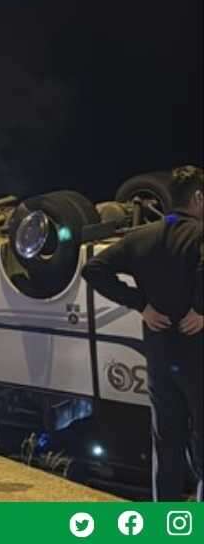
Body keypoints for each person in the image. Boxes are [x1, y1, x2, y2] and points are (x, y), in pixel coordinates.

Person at [82, 165, 203, 501]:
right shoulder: (200, 235)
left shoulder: (140, 237)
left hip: (160, 356)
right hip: (198, 357)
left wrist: (141, 305)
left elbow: (93, 269)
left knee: (166, 444)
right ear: (197, 197)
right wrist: (200, 310)